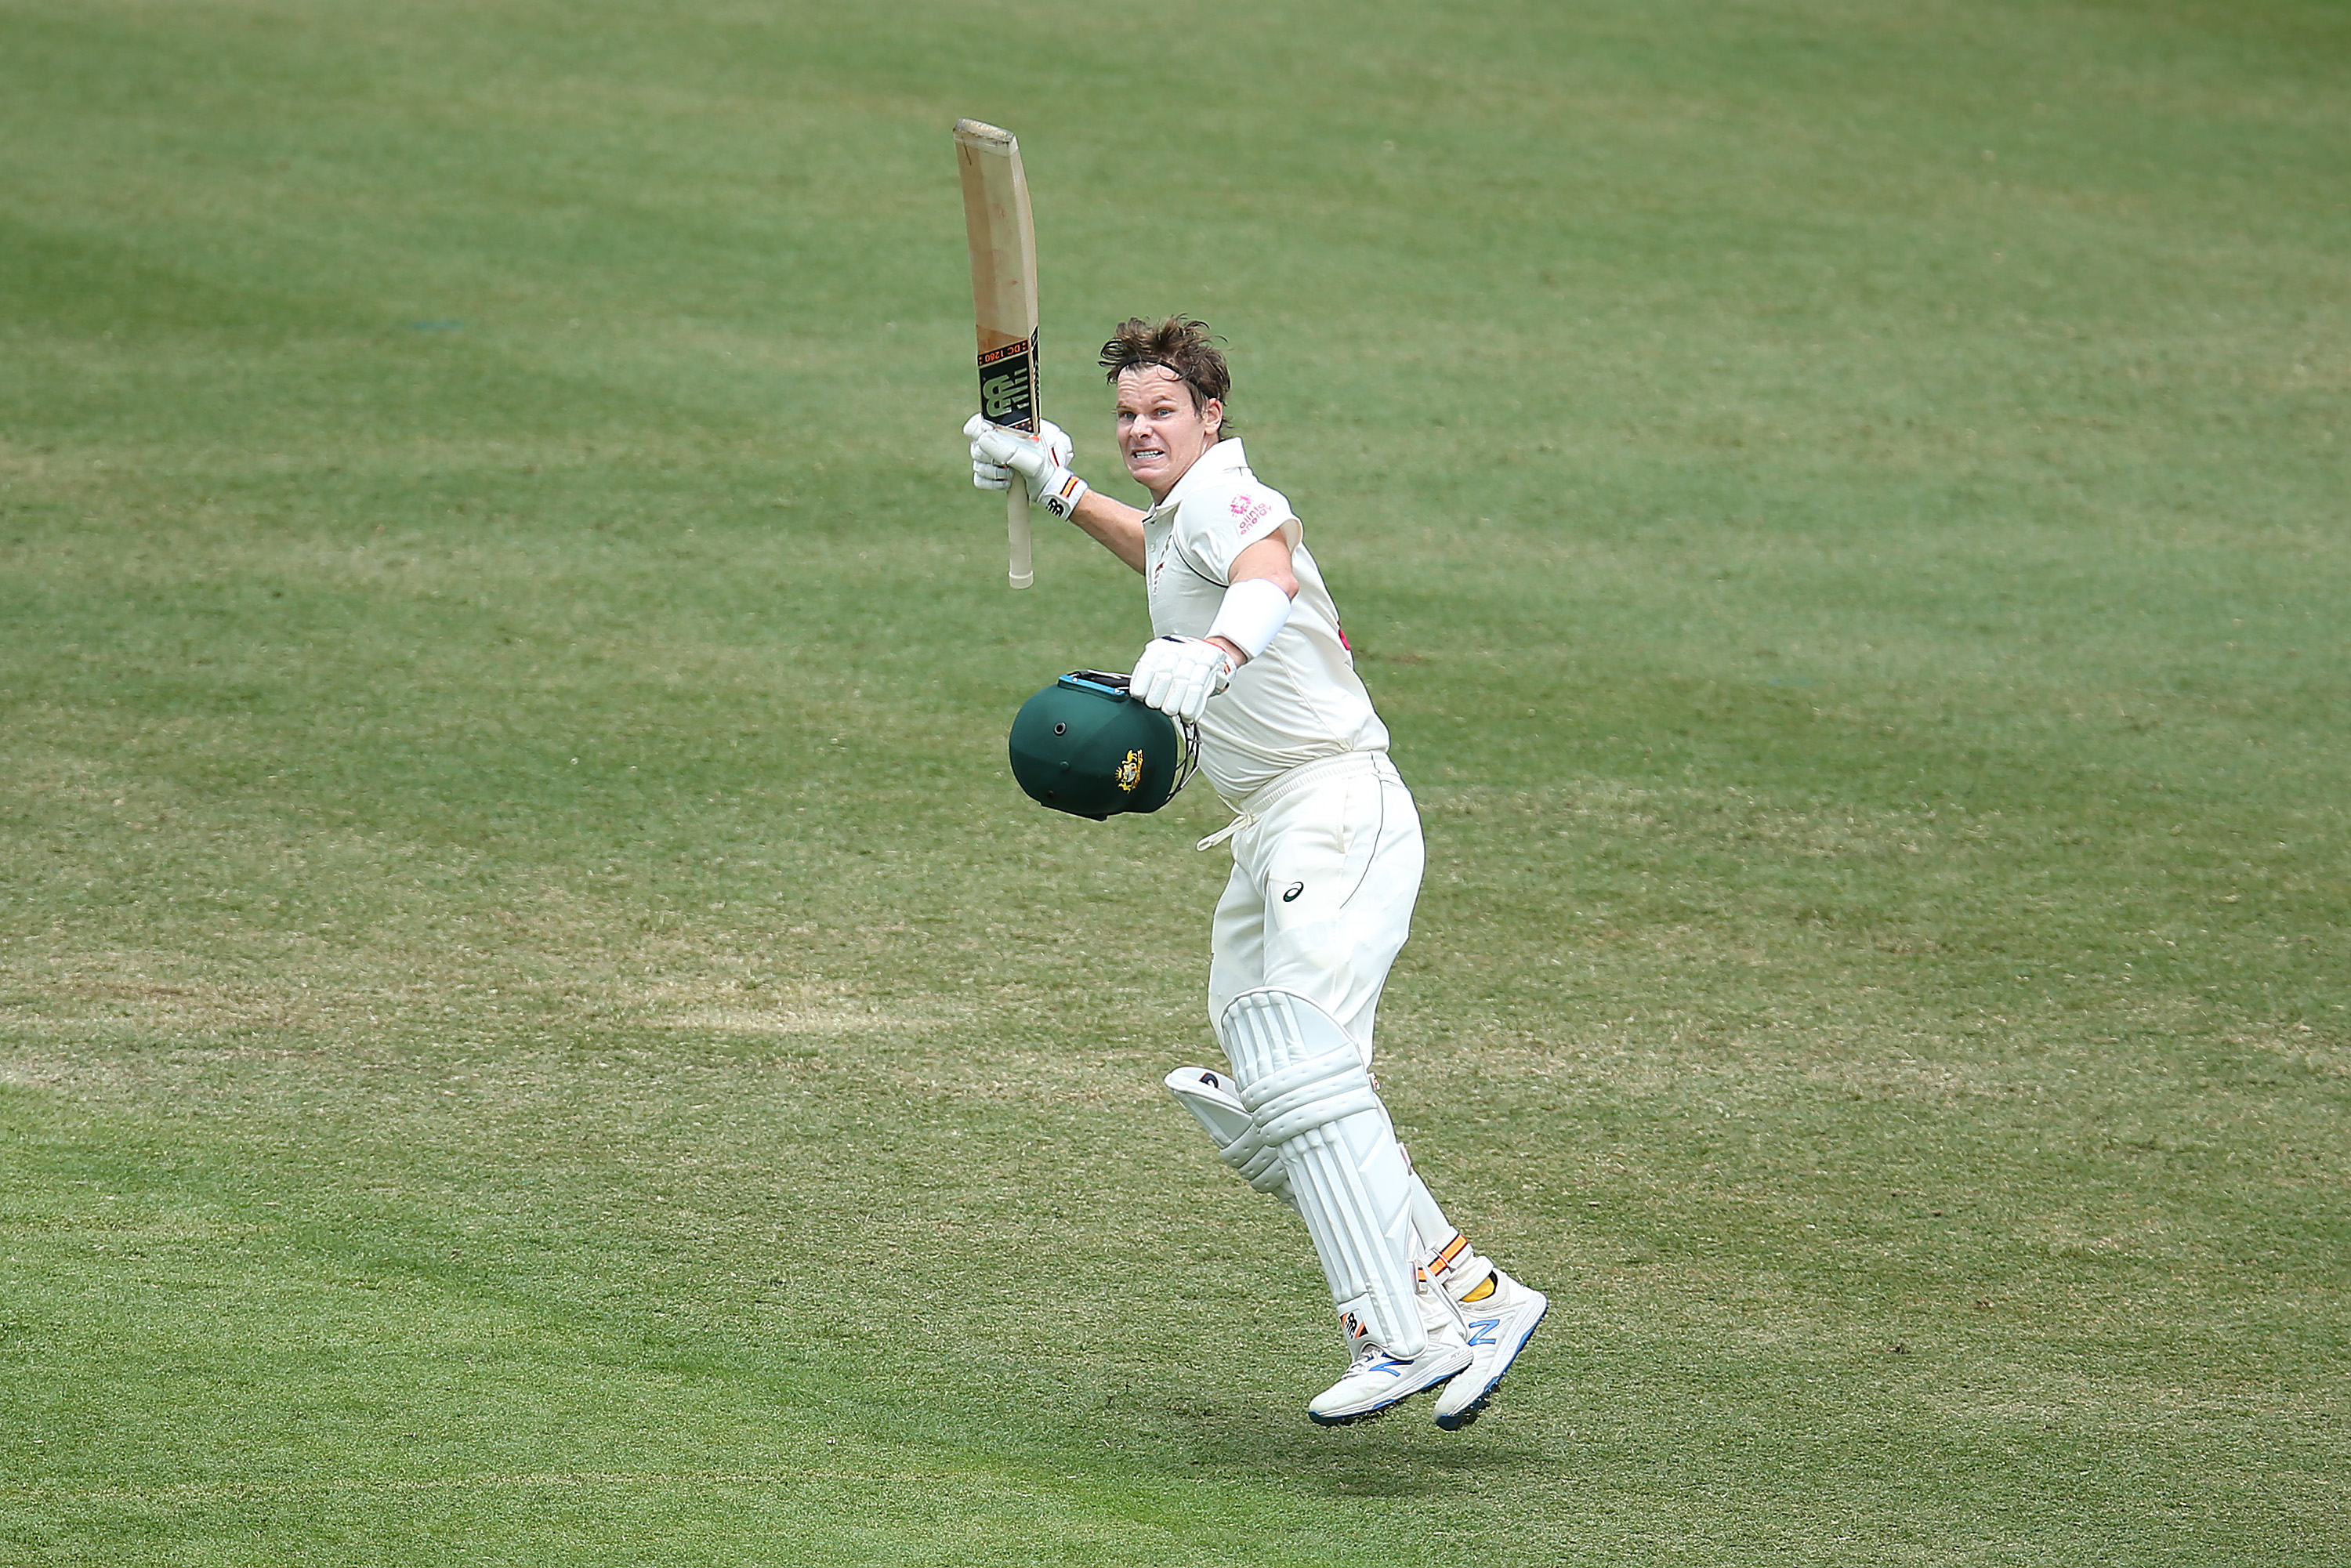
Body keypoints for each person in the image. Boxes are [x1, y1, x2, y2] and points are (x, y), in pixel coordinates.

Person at [965, 317, 1545, 1429]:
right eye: (1128, 415)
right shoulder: (1188, 515)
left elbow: (1264, 565)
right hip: (1274, 824)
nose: (1141, 430)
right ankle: (1478, 1292)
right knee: (1273, 1092)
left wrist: (1220, 652)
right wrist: (1058, 485)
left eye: (1162, 414)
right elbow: (1172, 550)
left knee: (1304, 1076)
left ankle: (1400, 1330)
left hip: (1336, 805)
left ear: (1211, 419)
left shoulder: (1235, 497)